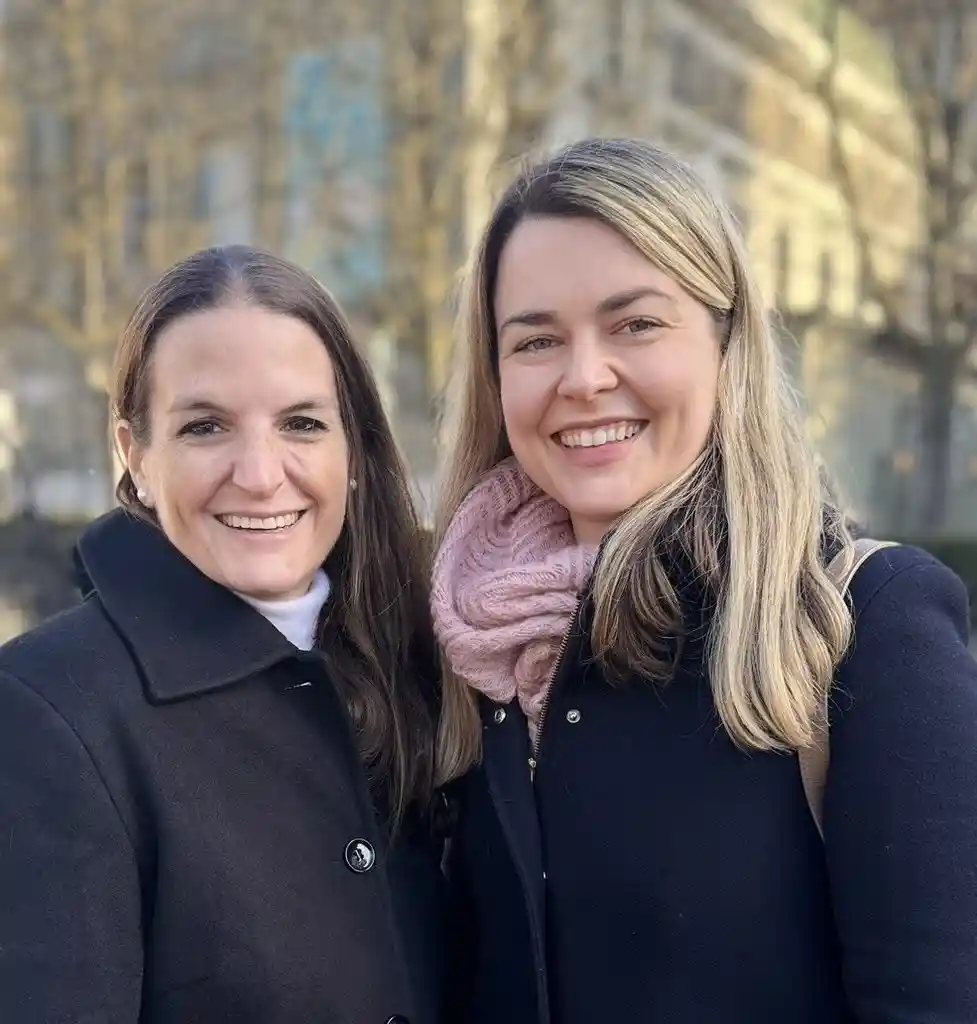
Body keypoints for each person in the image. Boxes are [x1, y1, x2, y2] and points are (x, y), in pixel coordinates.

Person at [431, 138, 977, 1023]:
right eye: (535, 340)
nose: (583, 377)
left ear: (727, 344)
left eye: (635, 325)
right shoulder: (468, 645)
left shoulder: (864, 625)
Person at [0, 245, 445, 1023]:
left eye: (301, 423)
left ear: (352, 451)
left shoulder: (437, 662)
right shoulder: (44, 711)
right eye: (205, 427)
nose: (261, 474)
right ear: (135, 456)